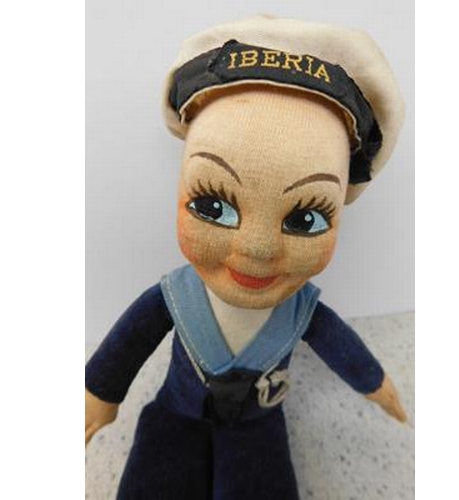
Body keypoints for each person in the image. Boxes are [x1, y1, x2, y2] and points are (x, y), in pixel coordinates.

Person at [86, 16, 407, 500]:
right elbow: (126, 344)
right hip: (177, 412)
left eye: (305, 219)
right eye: (212, 206)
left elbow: (341, 345)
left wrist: (374, 382)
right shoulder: (175, 296)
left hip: (259, 421)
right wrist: (100, 393)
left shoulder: (300, 311)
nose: (257, 250)